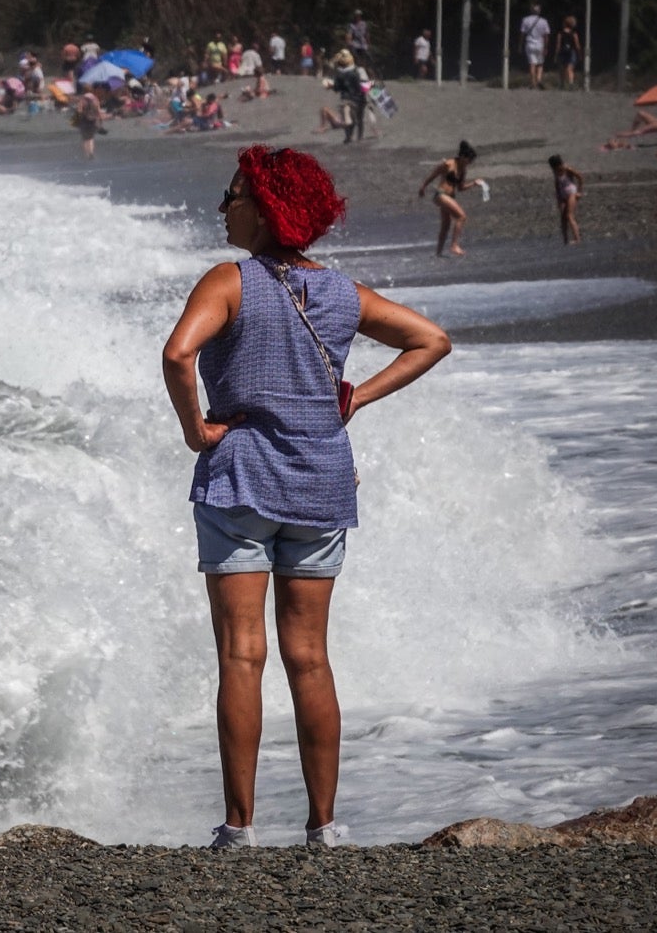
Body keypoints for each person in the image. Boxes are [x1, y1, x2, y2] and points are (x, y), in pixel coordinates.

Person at [162, 145, 450, 850]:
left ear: (263, 208)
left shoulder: (229, 282)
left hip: (240, 480)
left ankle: (239, 829)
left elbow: (178, 355)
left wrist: (197, 430)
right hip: (319, 481)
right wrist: (355, 397)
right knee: (310, 658)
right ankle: (326, 825)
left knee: (241, 655)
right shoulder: (342, 293)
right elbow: (430, 340)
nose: (222, 206)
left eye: (231, 194)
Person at [418, 140, 481, 256]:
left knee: (446, 225)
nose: (470, 163)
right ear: (462, 156)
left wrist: (473, 184)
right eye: (469, 160)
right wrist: (423, 187)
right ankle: (454, 246)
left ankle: (438, 253)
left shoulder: (463, 170)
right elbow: (433, 175)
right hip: (441, 195)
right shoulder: (448, 164)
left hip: (450, 197)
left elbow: (460, 188)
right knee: (461, 216)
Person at [330, 51, 367, 145]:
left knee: (349, 118)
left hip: (346, 98)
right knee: (358, 118)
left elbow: (337, 88)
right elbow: (363, 85)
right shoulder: (359, 70)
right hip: (358, 98)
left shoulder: (340, 73)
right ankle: (359, 136)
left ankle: (349, 136)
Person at [548, 154, 585, 245]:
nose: (555, 169)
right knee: (563, 218)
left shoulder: (567, 169)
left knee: (569, 215)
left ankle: (577, 239)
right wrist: (558, 198)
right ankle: (565, 240)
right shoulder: (555, 172)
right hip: (563, 194)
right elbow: (557, 184)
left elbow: (580, 177)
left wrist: (579, 192)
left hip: (571, 192)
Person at [519, 4, 551, 90]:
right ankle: (539, 79)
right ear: (539, 11)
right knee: (540, 63)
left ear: (531, 11)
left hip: (529, 43)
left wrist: (520, 44)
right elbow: (546, 35)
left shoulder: (525, 20)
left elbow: (522, 34)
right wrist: (546, 47)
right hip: (540, 44)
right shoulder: (544, 21)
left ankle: (533, 82)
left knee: (532, 63)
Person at [74, 90, 104, 160]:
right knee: (91, 138)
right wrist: (100, 121)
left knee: (85, 139)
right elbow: (99, 112)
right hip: (93, 121)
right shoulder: (95, 101)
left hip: (84, 121)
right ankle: (91, 152)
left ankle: (87, 154)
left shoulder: (82, 101)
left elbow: (79, 112)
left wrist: (77, 121)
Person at [555, 16, 581, 90]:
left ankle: (562, 84)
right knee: (570, 69)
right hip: (571, 52)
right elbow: (577, 45)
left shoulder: (560, 33)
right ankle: (571, 83)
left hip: (562, 52)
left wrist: (556, 54)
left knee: (562, 68)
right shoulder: (574, 34)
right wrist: (579, 54)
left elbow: (558, 45)